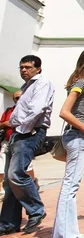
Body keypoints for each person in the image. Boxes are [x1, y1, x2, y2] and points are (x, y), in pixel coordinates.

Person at [0, 55, 55, 235]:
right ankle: (8, 223)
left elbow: (37, 109)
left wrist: (20, 125)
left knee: (17, 174)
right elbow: (21, 111)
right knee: (9, 181)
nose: (24, 70)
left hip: (30, 132)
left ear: (38, 68)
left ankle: (36, 210)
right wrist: (15, 124)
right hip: (18, 133)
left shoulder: (42, 84)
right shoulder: (26, 87)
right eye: (21, 67)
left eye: (28, 67)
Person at [52, 49, 84, 238]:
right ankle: (66, 234)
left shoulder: (79, 82)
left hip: (73, 136)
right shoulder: (80, 83)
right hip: (77, 137)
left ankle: (66, 231)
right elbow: (64, 112)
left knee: (70, 185)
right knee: (70, 186)